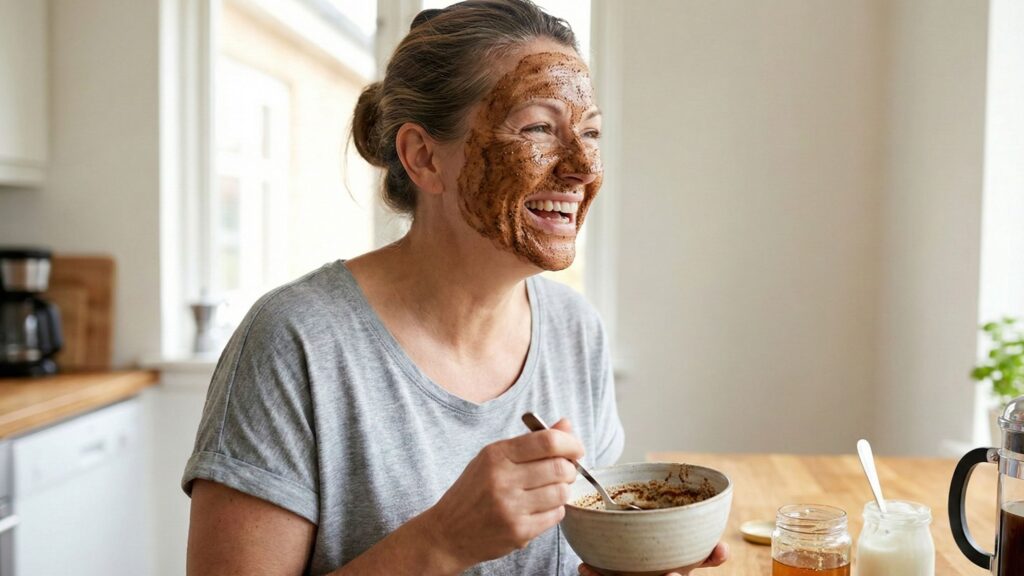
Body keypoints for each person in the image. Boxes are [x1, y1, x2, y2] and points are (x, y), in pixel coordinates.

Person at [182, 1, 728, 574]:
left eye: (590, 131)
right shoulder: (296, 342)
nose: (583, 167)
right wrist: (441, 541)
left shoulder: (575, 331)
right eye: (540, 127)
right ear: (423, 158)